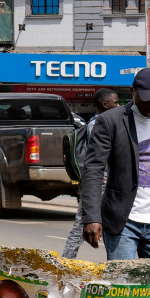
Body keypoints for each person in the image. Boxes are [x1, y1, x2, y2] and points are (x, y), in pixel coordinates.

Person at [80, 67, 150, 294]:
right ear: (132, 92)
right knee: (122, 288)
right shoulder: (110, 121)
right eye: (146, 100)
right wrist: (91, 216)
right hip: (123, 221)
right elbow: (93, 169)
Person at [62, 89, 120, 257]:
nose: (118, 105)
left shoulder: (102, 122)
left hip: (107, 180)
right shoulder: (99, 124)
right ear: (104, 104)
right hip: (100, 181)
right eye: (115, 102)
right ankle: (66, 263)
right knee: (82, 223)